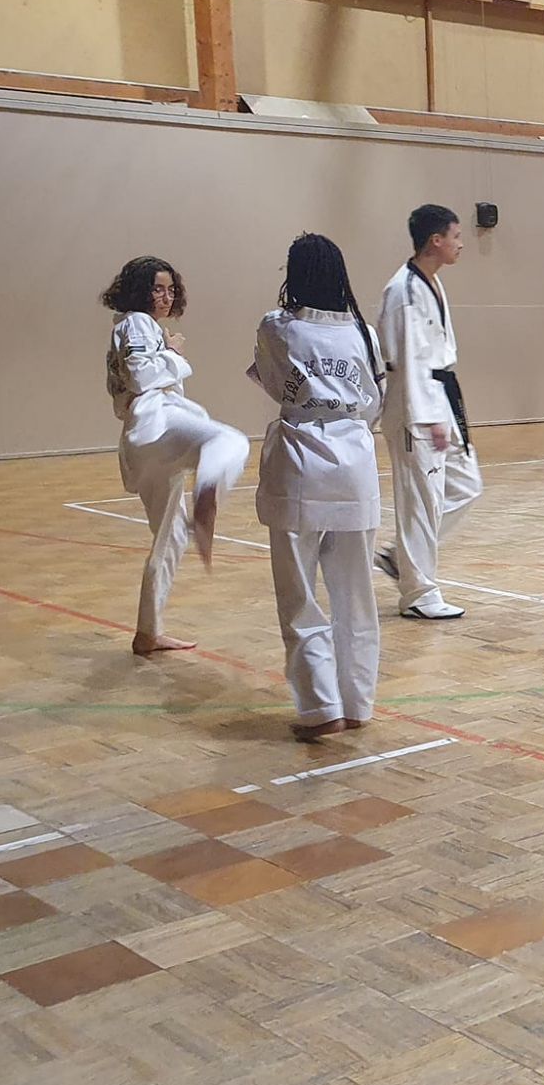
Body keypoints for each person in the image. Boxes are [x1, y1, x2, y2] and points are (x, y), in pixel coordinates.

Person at [250, 235, 385, 741]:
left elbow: (271, 381)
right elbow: (375, 400)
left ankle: (320, 706)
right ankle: (357, 702)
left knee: (299, 595)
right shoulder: (364, 333)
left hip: (300, 463)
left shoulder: (277, 326)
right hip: (355, 465)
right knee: (357, 595)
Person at [101, 256, 249, 656]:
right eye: (157, 289)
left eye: (170, 289)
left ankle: (147, 633)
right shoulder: (137, 323)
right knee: (230, 442)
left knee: (170, 539)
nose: (165, 297)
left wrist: (165, 351)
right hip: (156, 423)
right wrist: (174, 353)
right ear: (139, 292)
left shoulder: (131, 327)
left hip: (144, 441)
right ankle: (206, 497)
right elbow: (141, 377)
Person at [375, 204, 482, 620]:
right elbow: (406, 360)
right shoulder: (403, 291)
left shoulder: (430, 283)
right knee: (420, 501)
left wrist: (442, 413)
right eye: (456, 236)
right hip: (414, 406)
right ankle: (418, 594)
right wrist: (428, 417)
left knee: (466, 484)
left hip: (440, 396)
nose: (461, 244)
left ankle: (401, 558)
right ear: (435, 240)